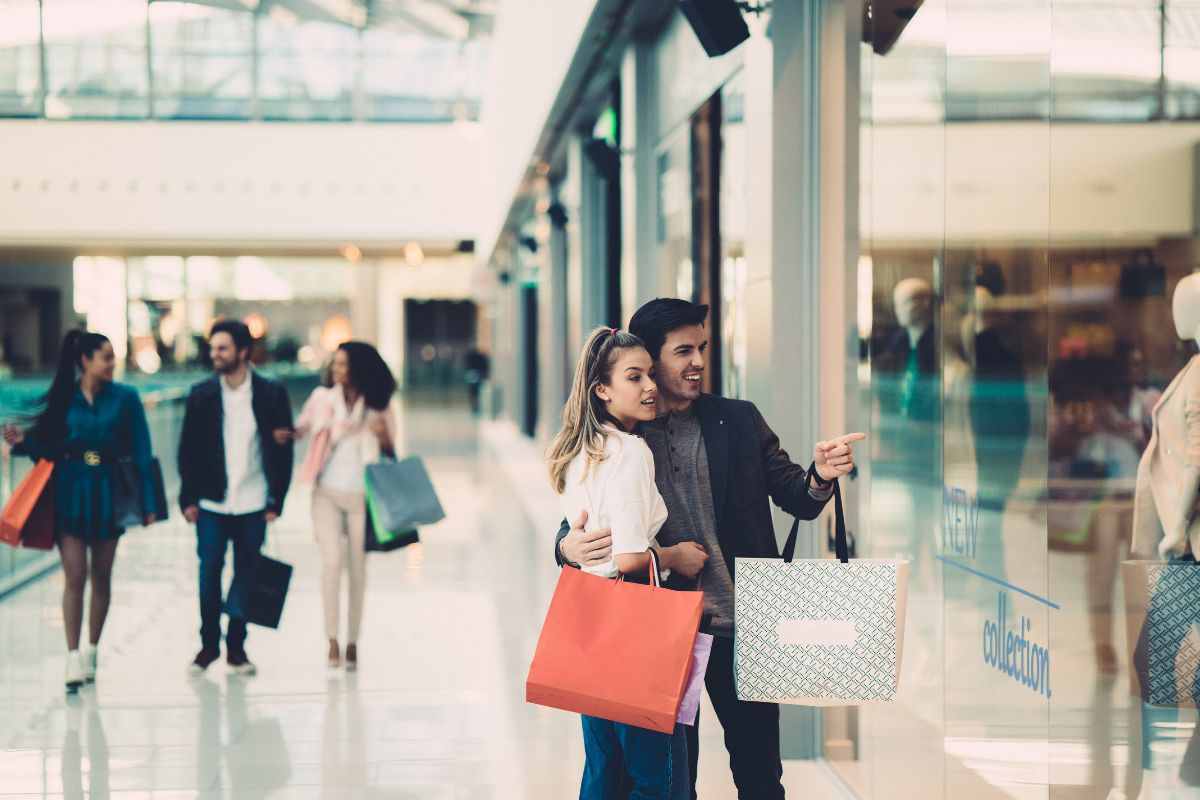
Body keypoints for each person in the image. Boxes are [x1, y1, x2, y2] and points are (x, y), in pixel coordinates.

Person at [556, 299, 863, 799]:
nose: (697, 361)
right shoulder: (626, 434)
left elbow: (797, 497)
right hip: (661, 634)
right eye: (683, 351)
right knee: (676, 779)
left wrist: (821, 475)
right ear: (651, 360)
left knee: (761, 775)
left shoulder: (738, 421)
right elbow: (581, 521)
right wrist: (568, 546)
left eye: (701, 348)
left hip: (742, 626)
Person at [548, 326, 688, 800]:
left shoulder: (578, 451)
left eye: (650, 374)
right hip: (632, 622)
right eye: (635, 377)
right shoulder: (630, 452)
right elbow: (629, 557)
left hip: (591, 620)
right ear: (602, 390)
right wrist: (672, 556)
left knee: (603, 767)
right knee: (651, 776)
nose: (650, 386)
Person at [3, 330, 157, 691]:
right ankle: (72, 656)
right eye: (105, 356)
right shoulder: (63, 399)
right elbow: (48, 445)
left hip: (109, 491)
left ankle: (92, 649)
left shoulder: (126, 398)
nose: (112, 363)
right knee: (75, 574)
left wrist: (148, 504)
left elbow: (142, 450)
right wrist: (21, 444)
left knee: (102, 575)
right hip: (70, 489)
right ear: (85, 361)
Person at [178, 320, 294, 677]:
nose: (215, 355)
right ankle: (209, 643)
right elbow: (188, 450)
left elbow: (283, 449)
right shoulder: (202, 394)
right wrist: (188, 497)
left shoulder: (272, 392)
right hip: (212, 502)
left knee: (247, 573)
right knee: (209, 571)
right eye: (213, 348)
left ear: (243, 352)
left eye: (222, 348)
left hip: (254, 500)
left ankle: (237, 648)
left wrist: (277, 499)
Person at [285, 341, 400, 670]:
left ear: (359, 369)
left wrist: (383, 437)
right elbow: (300, 428)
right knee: (332, 563)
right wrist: (283, 433)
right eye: (335, 364)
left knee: (358, 570)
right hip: (326, 493)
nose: (336, 370)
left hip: (362, 499)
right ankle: (332, 639)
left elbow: (392, 454)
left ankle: (353, 641)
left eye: (343, 365)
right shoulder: (323, 399)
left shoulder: (378, 405)